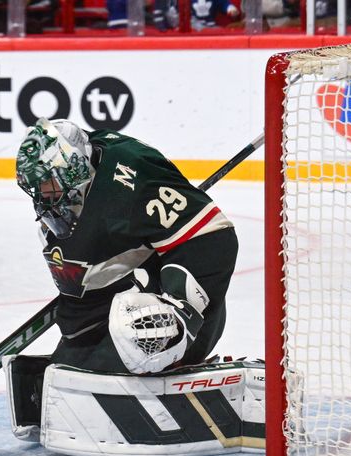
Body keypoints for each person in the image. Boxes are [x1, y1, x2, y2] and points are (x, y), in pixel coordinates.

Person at [14, 118, 238, 376]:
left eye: (48, 183)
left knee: (138, 332)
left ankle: (174, 352)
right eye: (37, 187)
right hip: (115, 293)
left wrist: (181, 311)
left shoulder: (135, 176)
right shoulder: (73, 188)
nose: (43, 194)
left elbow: (213, 237)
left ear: (75, 168)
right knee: (67, 372)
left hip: (180, 306)